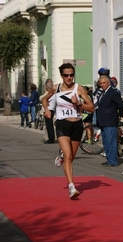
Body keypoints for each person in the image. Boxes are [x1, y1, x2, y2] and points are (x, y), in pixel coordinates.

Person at [42, 63, 94, 199]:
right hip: (62, 124)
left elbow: (91, 108)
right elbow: (44, 99)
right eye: (66, 75)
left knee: (70, 158)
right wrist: (47, 110)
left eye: (71, 75)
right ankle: (71, 186)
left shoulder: (79, 88)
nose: (69, 78)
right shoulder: (56, 88)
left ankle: (61, 156)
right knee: (68, 153)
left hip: (77, 125)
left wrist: (79, 103)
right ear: (62, 76)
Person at [95, 75, 123, 167]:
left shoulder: (113, 92)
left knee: (111, 141)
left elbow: (121, 104)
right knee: (105, 141)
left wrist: (120, 115)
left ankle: (113, 160)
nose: (102, 85)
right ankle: (109, 159)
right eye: (101, 83)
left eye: (104, 83)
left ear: (108, 83)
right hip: (102, 121)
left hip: (110, 120)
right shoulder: (101, 93)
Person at [39, 79, 56, 143]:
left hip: (49, 110)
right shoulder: (51, 94)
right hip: (50, 110)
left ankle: (51, 139)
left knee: (49, 125)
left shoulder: (51, 94)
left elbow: (44, 99)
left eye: (46, 87)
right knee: (49, 125)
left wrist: (45, 101)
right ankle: (50, 137)